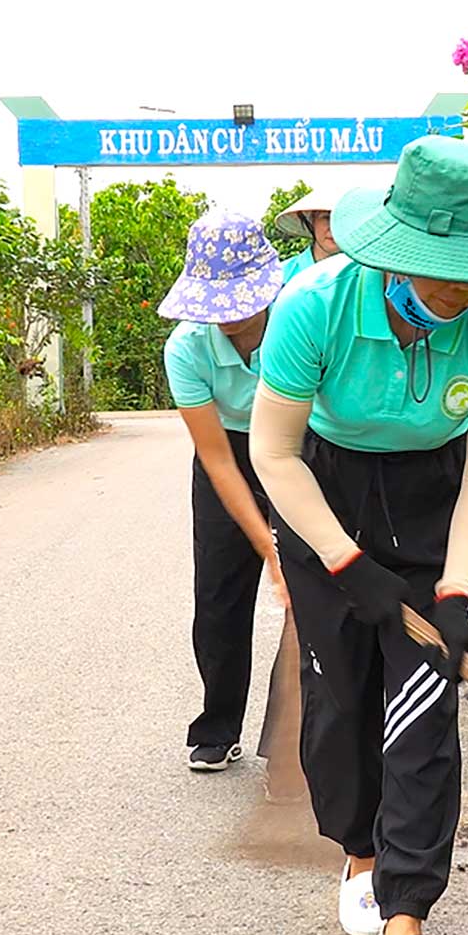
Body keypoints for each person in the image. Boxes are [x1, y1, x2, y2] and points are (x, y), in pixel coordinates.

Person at [248, 136, 468, 935]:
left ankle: (406, 920)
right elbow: (273, 449)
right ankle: (361, 854)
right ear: (395, 252)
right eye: (442, 269)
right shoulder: (314, 307)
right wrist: (343, 561)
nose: (460, 290)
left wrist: (454, 589)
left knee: (423, 705)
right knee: (341, 698)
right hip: (319, 490)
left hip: (428, 500)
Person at [160, 208, 291, 772]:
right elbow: (217, 459)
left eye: (241, 303)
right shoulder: (186, 349)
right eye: (218, 306)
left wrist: (291, 549)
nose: (230, 318)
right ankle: (217, 725)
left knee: (318, 589)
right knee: (218, 598)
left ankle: (302, 733)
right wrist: (268, 549)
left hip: (301, 445)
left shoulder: (298, 324)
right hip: (229, 452)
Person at [270, 187, 342, 280]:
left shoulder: (362, 274)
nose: (333, 228)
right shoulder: (281, 275)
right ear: (312, 221)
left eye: (342, 219)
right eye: (327, 218)